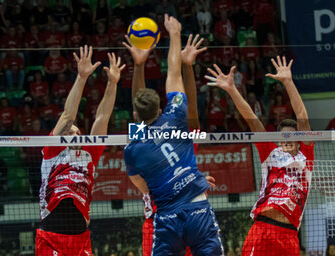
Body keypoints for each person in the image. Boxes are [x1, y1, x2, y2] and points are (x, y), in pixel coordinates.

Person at [123, 15, 224, 255]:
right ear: (160, 109)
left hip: (171, 216)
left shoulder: (140, 144)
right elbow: (174, 99)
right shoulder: (174, 126)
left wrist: (139, 65)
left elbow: (141, 109)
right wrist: (185, 64)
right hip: (159, 217)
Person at [206, 56, 314, 256]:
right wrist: (231, 90)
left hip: (289, 236)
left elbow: (302, 117)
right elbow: (253, 121)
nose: (287, 139)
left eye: (292, 135)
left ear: (299, 139)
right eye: (283, 136)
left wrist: (288, 82)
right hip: (262, 230)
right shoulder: (271, 152)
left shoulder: (305, 158)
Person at [35, 46, 125, 256]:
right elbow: (68, 115)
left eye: (76, 130)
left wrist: (112, 83)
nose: (72, 132)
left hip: (80, 238)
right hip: (51, 236)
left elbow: (102, 117)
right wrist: (82, 77)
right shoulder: (52, 152)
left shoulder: (89, 154)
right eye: (68, 132)